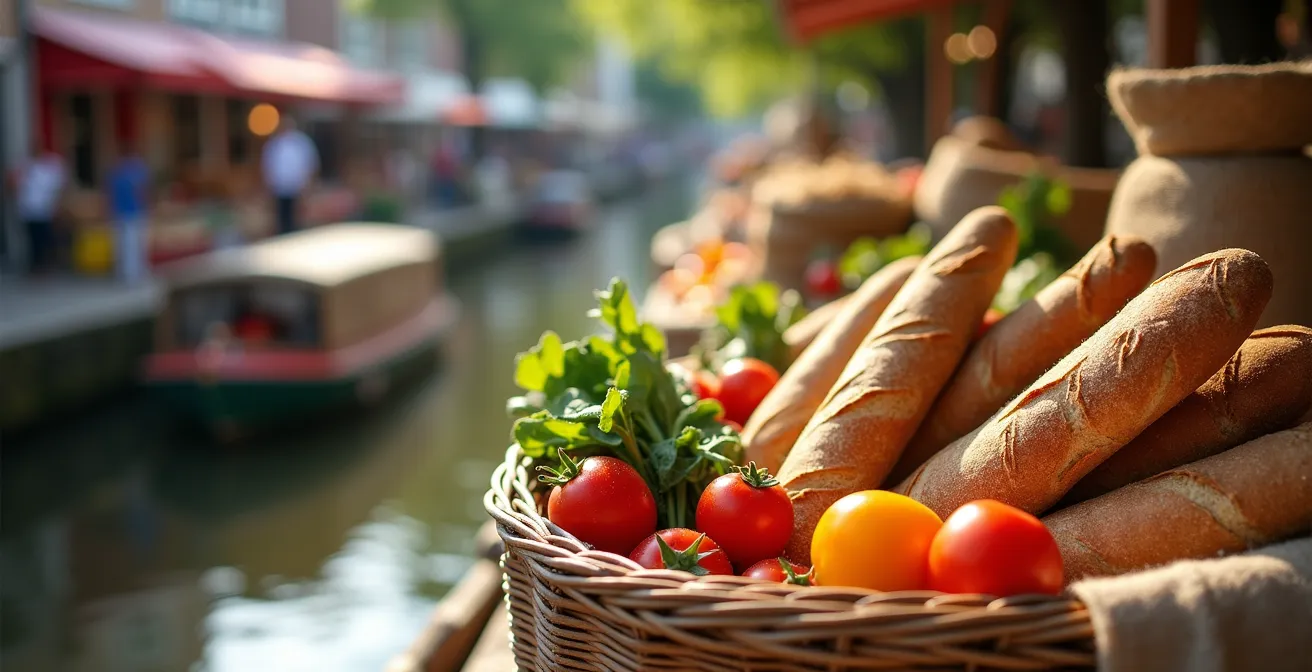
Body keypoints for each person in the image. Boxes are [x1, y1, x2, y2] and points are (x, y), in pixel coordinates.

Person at [261, 116, 319, 236]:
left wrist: (308, 182)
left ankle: (297, 234)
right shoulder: (274, 144)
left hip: (298, 185)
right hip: (280, 186)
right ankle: (284, 233)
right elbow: (268, 165)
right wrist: (269, 184)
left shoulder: (301, 142)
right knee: (282, 213)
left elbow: (310, 162)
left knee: (298, 213)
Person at [15, 143, 66, 275]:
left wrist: (56, 206)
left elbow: (56, 187)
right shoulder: (26, 166)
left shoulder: (48, 167)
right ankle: (35, 266)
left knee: (44, 239)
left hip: (44, 210)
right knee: (33, 240)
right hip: (29, 211)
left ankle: (45, 265)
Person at [107, 150, 151, 284]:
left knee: (122, 245)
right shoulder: (137, 173)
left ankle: (124, 273)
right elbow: (143, 193)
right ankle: (133, 274)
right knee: (134, 245)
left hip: (120, 213)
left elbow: (110, 196)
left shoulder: (115, 174)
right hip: (134, 212)